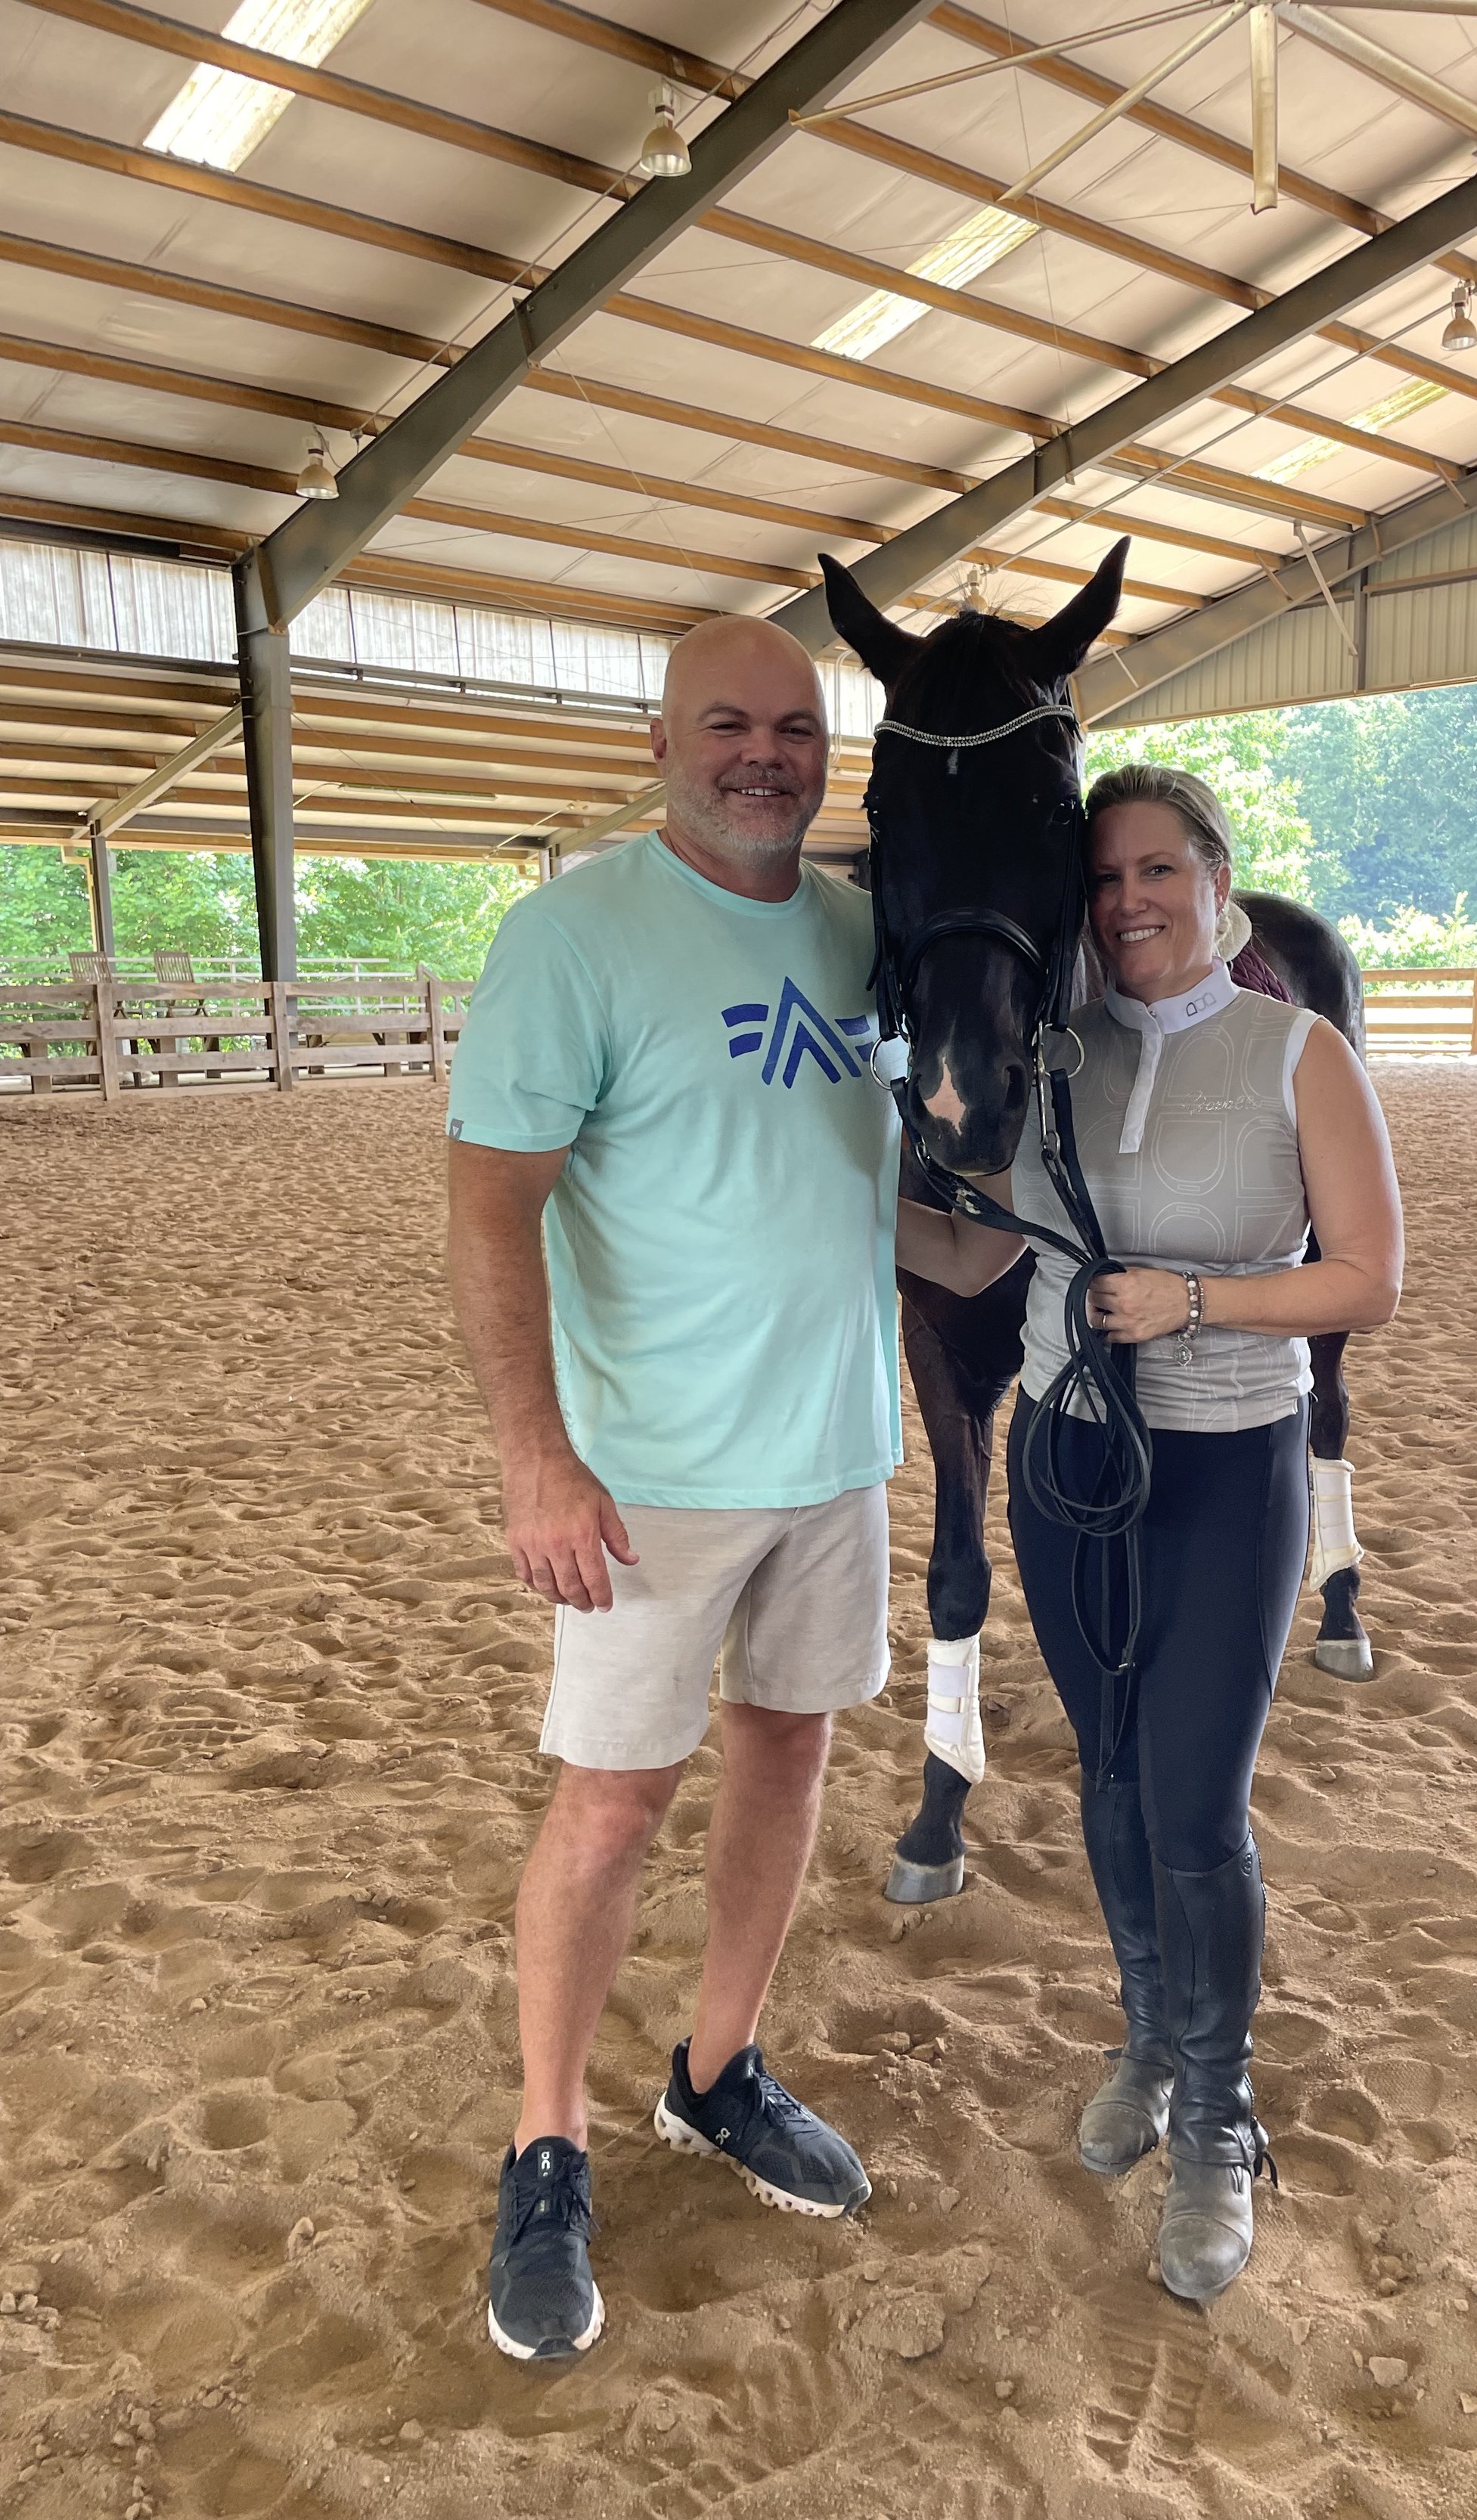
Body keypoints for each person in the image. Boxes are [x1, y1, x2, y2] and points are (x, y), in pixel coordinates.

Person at [445, 615, 901, 2360]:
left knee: (787, 1753)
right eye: (728, 723)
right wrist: (535, 1454)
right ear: (662, 741)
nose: (764, 754)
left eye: (794, 728)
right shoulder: (574, 936)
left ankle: (716, 2066)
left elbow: (879, 1172)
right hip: (650, 1480)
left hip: (836, 1453)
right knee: (613, 1804)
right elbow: (492, 1206)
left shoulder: (868, 933)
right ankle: (546, 2135)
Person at [897, 761, 1403, 2303]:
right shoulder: (1059, 1057)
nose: (1124, 902)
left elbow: (1366, 1278)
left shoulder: (1292, 1051)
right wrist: (852, 1180)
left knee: (1195, 1806)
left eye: (1152, 872)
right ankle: (1146, 2038)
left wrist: (1195, 1300)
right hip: (1067, 1461)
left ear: (1210, 877)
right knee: (1107, 1780)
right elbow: (984, 1255)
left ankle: (1217, 2112)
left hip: (1223, 1464)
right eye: (1103, 878)